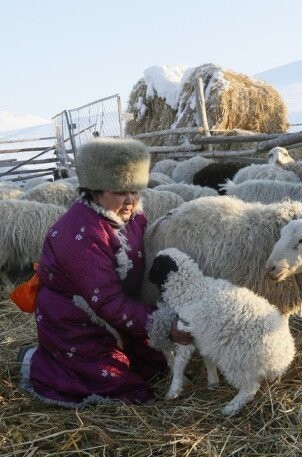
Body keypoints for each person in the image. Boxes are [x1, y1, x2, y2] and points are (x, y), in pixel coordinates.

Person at [19, 137, 191, 408]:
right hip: (76, 320)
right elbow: (107, 301)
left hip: (117, 314)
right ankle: (36, 363)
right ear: (94, 190)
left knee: (156, 363)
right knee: (125, 389)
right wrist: (164, 324)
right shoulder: (80, 234)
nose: (130, 200)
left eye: (135, 190)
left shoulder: (133, 218)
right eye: (119, 191)